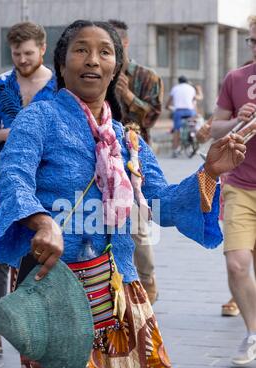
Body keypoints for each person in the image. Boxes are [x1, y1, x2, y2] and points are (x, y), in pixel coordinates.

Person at [0, 20, 247, 368]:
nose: (93, 60)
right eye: (81, 50)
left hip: (123, 293)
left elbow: (161, 203)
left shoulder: (129, 139)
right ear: (63, 61)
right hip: (57, 292)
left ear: (116, 66)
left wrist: (210, 171)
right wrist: (41, 221)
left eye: (104, 51)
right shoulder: (40, 118)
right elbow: (13, 176)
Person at [0, 22, 57, 354]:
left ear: (42, 49)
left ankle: (42, 326)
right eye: (17, 54)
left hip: (49, 182)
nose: (22, 59)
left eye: (28, 53)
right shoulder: (1, 84)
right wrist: (13, 133)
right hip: (5, 181)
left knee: (43, 254)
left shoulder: (60, 86)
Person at [108, 19, 164, 304]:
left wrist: (129, 95)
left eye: (115, 42)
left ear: (125, 43)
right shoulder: (96, 73)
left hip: (136, 160)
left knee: (139, 226)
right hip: (101, 160)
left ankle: (147, 278)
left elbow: (154, 117)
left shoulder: (146, 76)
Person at [211, 54, 256, 365]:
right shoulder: (236, 79)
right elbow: (216, 128)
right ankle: (252, 333)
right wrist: (239, 120)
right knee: (237, 264)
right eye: (253, 38)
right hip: (240, 185)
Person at [166, 76, 197, 157]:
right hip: (190, 111)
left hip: (179, 111)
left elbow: (168, 103)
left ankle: (175, 150)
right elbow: (194, 100)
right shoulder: (191, 88)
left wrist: (167, 107)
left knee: (176, 130)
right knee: (192, 125)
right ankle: (192, 138)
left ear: (179, 82)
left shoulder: (175, 88)